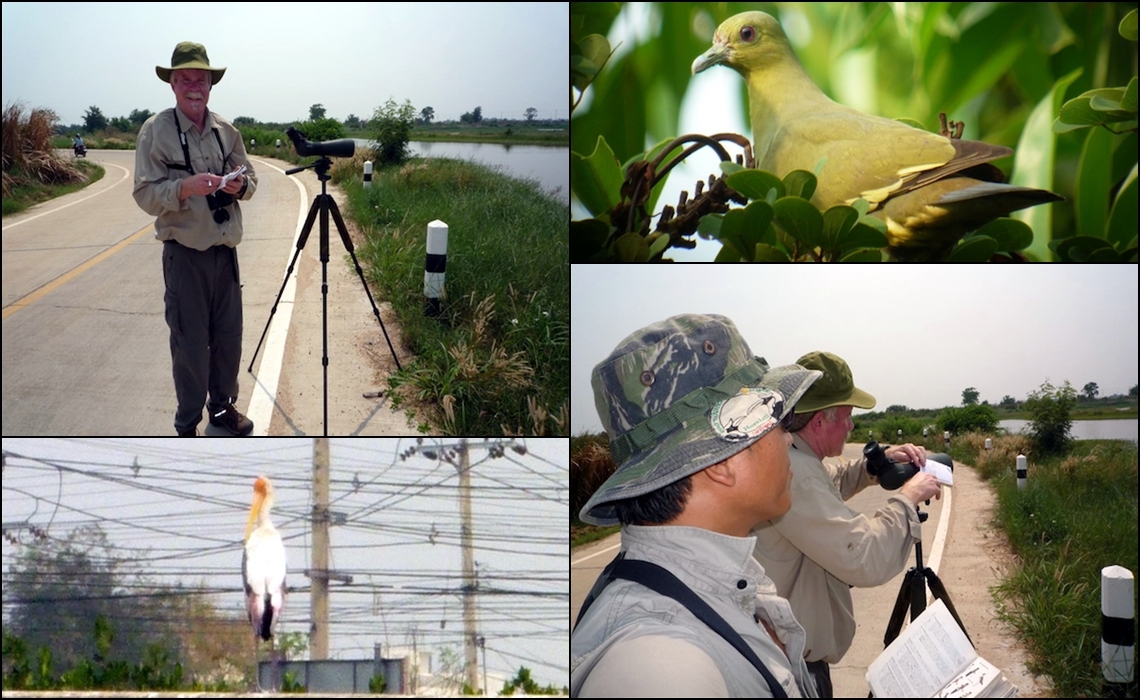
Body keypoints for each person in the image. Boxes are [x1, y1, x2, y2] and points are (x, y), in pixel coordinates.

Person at [572, 313, 824, 698]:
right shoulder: (660, 666)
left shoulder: (712, 577)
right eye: (779, 419)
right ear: (722, 460)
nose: (788, 439)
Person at [750, 351, 943, 697]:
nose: (852, 426)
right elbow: (864, 557)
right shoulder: (799, 476)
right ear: (820, 422)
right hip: (793, 670)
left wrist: (874, 466)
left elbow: (828, 480)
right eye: (848, 416)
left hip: (783, 656)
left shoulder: (795, 459)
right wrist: (907, 499)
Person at [133, 42, 257, 436]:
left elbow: (252, 181)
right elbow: (145, 194)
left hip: (226, 253)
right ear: (172, 84)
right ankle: (187, 426)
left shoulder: (227, 131)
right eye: (184, 78)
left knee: (228, 339)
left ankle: (222, 409)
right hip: (185, 255)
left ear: (210, 85)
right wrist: (184, 187)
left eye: (200, 79)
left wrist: (239, 186)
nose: (193, 86)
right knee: (190, 347)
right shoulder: (156, 131)